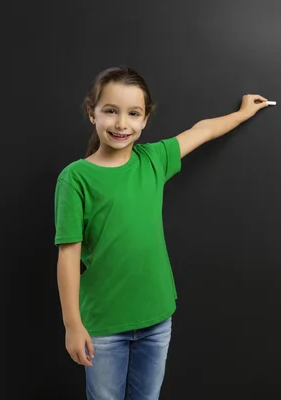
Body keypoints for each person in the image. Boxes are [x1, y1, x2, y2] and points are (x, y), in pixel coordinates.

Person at [54, 66, 269, 400]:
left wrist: (242, 112)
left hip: (157, 318)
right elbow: (67, 256)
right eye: (110, 111)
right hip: (104, 326)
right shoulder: (76, 178)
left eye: (133, 113)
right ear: (91, 113)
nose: (121, 123)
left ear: (145, 119)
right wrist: (72, 325)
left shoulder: (153, 159)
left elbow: (205, 130)